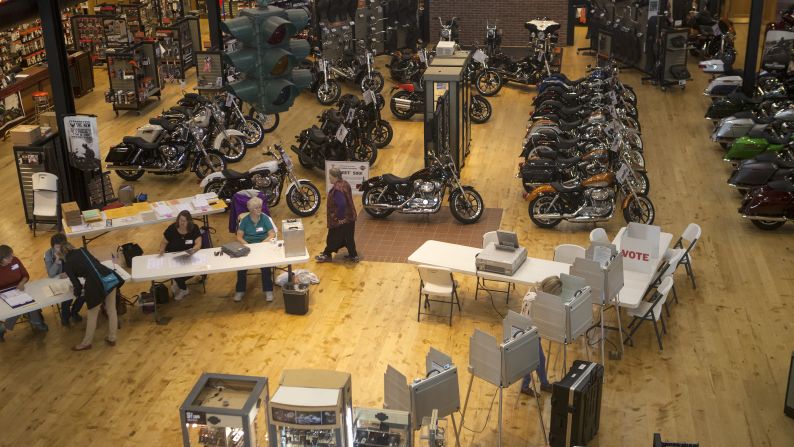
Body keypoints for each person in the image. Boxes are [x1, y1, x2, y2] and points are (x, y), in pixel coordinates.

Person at [62, 243, 124, 351]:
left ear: (62, 254)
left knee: (92, 314)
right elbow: (96, 262)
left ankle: (86, 343)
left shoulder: (67, 264)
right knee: (111, 309)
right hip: (107, 276)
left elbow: (76, 285)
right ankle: (112, 338)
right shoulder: (82, 250)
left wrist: (76, 293)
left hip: (94, 285)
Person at [519, 275, 559, 396]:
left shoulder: (534, 291)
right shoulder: (536, 301)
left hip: (529, 331)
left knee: (537, 359)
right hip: (528, 334)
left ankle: (543, 383)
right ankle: (527, 386)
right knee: (535, 360)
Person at [0, 245, 48, 341]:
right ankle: (37, 322)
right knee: (20, 306)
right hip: (3, 293)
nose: (12, 258)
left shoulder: (15, 260)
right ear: (1, 259)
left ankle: (3, 328)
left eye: (12, 255)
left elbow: (25, 275)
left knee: (31, 302)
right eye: (9, 257)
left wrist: (22, 283)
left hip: (19, 288)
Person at [234, 197, 276, 303]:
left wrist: (262, 244)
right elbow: (239, 237)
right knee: (241, 268)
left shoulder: (265, 218)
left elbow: (272, 234)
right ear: (251, 210)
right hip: (249, 247)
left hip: (263, 246)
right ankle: (240, 290)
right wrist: (248, 246)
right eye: (256, 208)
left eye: (260, 207)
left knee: (266, 268)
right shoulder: (245, 221)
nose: (259, 210)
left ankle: (268, 291)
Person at [316, 167, 359, 263]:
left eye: (330, 176)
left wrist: (340, 218)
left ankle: (326, 254)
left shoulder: (337, 189)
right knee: (349, 237)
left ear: (335, 177)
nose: (329, 178)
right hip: (350, 216)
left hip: (341, 219)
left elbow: (342, 204)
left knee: (332, 237)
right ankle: (353, 255)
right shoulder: (345, 183)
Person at [159, 210, 202, 301]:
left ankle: (181, 287)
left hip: (189, 255)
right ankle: (183, 287)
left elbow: (198, 243)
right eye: (180, 220)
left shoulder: (194, 228)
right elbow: (164, 242)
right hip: (173, 256)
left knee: (188, 272)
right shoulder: (172, 228)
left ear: (189, 221)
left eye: (184, 221)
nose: (182, 223)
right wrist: (162, 249)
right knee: (174, 272)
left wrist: (193, 250)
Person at [44, 233, 84, 326]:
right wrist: (57, 261)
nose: (60, 249)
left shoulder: (70, 249)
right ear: (52, 247)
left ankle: (74, 312)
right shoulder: (48, 254)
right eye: (57, 247)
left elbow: (79, 266)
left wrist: (68, 273)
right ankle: (65, 316)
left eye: (61, 246)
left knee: (83, 294)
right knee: (67, 297)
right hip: (58, 281)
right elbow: (51, 274)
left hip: (72, 277)